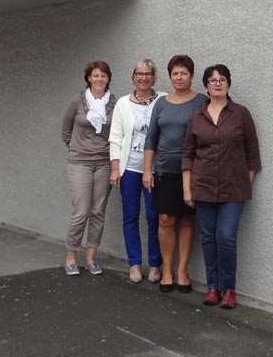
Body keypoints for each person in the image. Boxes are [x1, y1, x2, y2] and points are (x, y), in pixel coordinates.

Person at [182, 64, 261, 309]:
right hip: (203, 187)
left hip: (233, 189)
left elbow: (252, 154)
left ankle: (228, 289)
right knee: (208, 238)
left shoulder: (241, 114)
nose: (218, 83)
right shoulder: (196, 117)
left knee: (225, 236)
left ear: (228, 84)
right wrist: (187, 189)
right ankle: (212, 287)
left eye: (222, 79)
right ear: (206, 86)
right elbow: (188, 154)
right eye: (213, 80)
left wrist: (244, 182)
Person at [143, 54, 207, 293]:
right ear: (170, 77)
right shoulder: (161, 103)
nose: (179, 77)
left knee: (187, 220)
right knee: (165, 220)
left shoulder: (201, 102)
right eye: (175, 73)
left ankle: (182, 271)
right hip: (164, 170)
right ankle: (167, 270)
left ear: (191, 76)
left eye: (184, 73)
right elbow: (151, 138)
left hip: (192, 171)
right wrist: (147, 170)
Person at [109, 59, 166, 284]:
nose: (144, 77)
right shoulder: (123, 103)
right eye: (139, 74)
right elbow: (115, 137)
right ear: (133, 77)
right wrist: (115, 169)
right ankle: (134, 263)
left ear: (154, 77)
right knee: (130, 216)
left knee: (154, 217)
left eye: (148, 73)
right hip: (130, 168)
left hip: (156, 169)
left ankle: (155, 265)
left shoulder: (163, 99)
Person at [61, 60, 117, 276]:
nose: (99, 79)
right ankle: (71, 256)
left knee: (97, 212)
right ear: (88, 78)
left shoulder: (115, 103)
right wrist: (78, 148)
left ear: (108, 78)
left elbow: (117, 132)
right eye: (95, 75)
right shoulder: (78, 100)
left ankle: (91, 258)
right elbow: (65, 130)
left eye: (103, 75)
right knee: (81, 211)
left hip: (104, 162)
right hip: (79, 163)